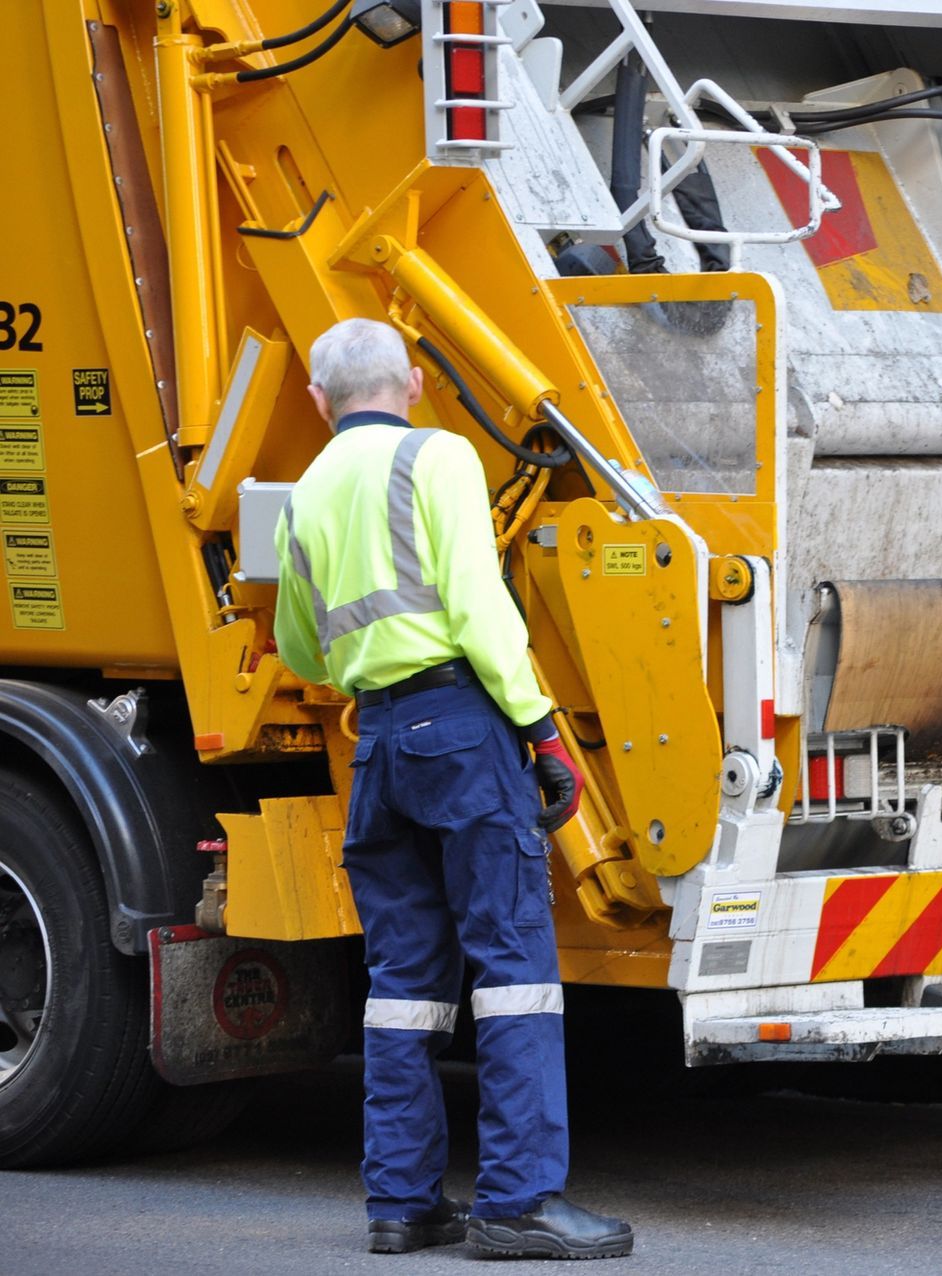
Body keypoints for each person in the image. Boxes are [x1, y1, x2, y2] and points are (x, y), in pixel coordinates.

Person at [274, 318, 633, 1260]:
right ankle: (516, 1203)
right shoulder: (439, 457)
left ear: (319, 403)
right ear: (416, 384)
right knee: (513, 970)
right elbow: (478, 606)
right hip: (462, 730)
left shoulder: (304, 495)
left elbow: (301, 646)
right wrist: (542, 731)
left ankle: (400, 1203)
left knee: (403, 986)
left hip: (379, 744)